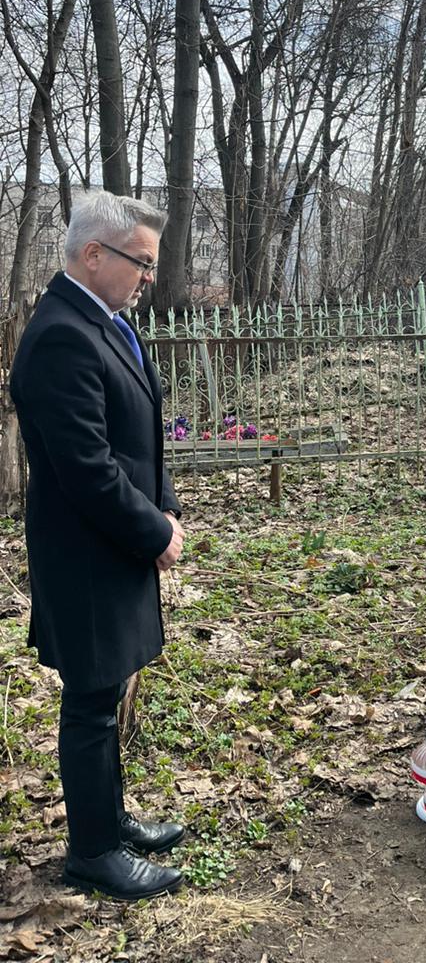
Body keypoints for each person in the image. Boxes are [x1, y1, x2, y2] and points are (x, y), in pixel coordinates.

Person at [10, 191, 186, 900]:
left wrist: (164, 506)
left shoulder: (102, 321)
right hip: (84, 556)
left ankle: (109, 820)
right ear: (92, 254)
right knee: (89, 703)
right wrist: (154, 531)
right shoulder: (61, 335)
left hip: (111, 545)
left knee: (106, 692)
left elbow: (138, 432)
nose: (148, 277)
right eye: (140, 262)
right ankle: (92, 852)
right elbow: (88, 468)